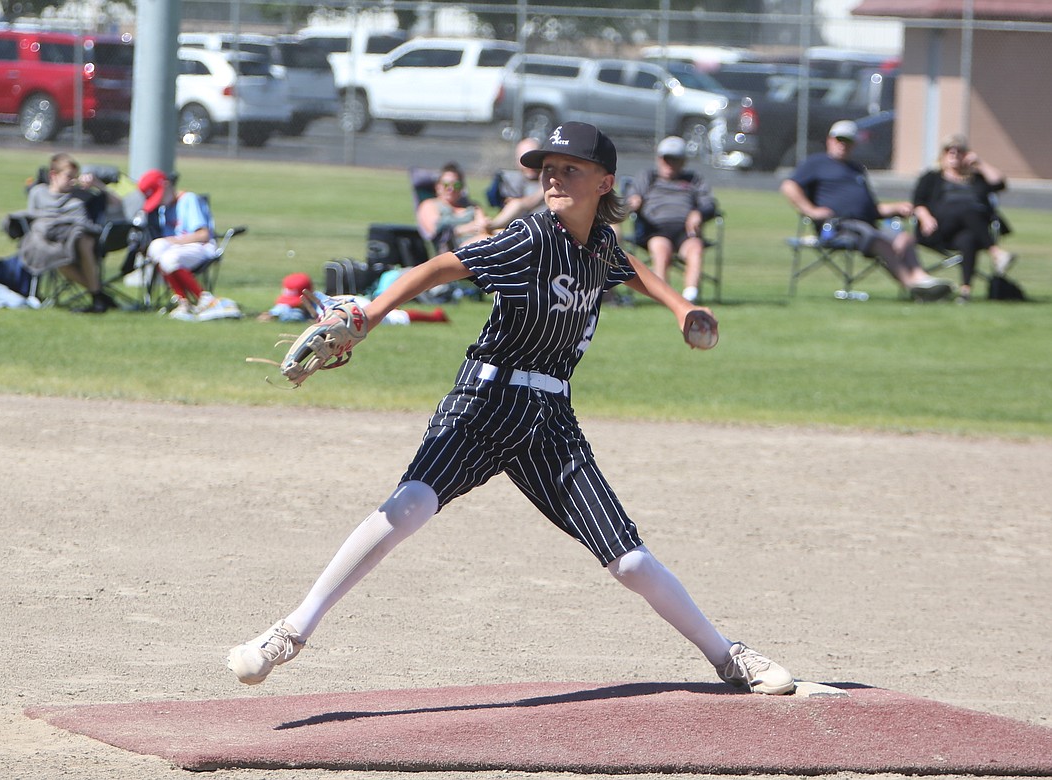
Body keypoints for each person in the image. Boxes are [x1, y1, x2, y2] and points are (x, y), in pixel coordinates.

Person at [228, 121, 796, 697]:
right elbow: (442, 267)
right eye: (547, 167)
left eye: (570, 167)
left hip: (550, 418)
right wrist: (371, 315)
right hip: (485, 401)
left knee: (628, 561)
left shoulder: (597, 243)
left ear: (605, 183)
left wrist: (680, 306)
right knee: (411, 505)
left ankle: (729, 658)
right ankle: (291, 631)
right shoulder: (530, 238)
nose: (553, 176)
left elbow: (628, 267)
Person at [780, 120, 954, 301]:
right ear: (829, 140)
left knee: (905, 238)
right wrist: (811, 210)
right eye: (839, 140)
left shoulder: (856, 169)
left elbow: (872, 208)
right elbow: (789, 186)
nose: (842, 145)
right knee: (879, 240)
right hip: (838, 226)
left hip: (867, 224)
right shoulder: (816, 163)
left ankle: (922, 279)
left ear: (854, 144)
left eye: (847, 141)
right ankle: (913, 286)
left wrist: (895, 207)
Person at [913, 133, 1015, 302]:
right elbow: (918, 201)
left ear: (966, 154)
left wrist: (979, 163)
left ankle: (965, 292)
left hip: (972, 230)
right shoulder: (931, 177)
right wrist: (925, 217)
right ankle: (996, 252)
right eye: (949, 150)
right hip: (938, 228)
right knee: (965, 208)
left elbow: (1000, 183)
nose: (954, 154)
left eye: (959, 150)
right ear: (942, 154)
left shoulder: (976, 179)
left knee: (968, 239)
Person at [17, 152, 118, 313]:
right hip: (52, 243)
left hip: (80, 238)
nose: (73, 181)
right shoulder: (38, 192)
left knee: (84, 239)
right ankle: (98, 295)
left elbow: (117, 203)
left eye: (75, 177)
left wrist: (97, 184)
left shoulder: (81, 194)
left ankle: (98, 297)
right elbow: (33, 218)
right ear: (53, 175)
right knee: (57, 257)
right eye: (69, 177)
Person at [136, 169, 239, 322]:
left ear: (166, 185)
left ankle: (205, 299)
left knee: (168, 256)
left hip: (201, 247)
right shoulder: (164, 209)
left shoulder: (188, 199)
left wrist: (171, 241)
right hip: (180, 250)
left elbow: (202, 235)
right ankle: (183, 302)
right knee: (156, 248)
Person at [624, 136, 715, 303]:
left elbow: (710, 204)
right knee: (662, 250)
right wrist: (634, 201)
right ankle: (663, 296)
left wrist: (699, 213)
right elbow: (630, 199)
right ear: (659, 159)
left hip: (686, 230)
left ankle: (690, 297)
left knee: (695, 248)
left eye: (675, 159)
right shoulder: (648, 177)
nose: (670, 164)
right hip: (656, 228)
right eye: (666, 159)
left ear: (683, 161)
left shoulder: (694, 180)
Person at [416, 162, 491, 253]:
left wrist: (485, 224)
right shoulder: (429, 205)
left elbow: (483, 224)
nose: (451, 189)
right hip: (453, 251)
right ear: (438, 187)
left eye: (456, 185)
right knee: (486, 240)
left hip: (480, 242)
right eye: (446, 185)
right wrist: (467, 228)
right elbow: (436, 232)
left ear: (462, 188)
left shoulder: (473, 206)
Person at [486, 137, 547, 231]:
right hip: (517, 228)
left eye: (533, 160)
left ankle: (490, 226)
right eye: (524, 160)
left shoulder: (550, 178)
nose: (529, 166)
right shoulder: (512, 180)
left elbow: (522, 204)